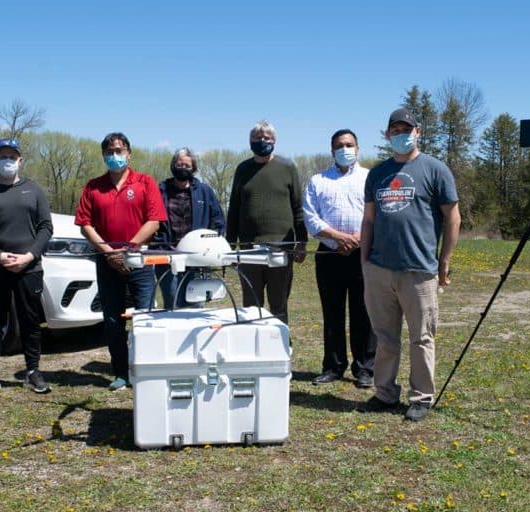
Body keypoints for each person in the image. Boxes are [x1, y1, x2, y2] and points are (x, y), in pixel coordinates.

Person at [360, 108, 461, 421]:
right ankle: (385, 392)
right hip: (380, 269)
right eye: (396, 130)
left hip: (419, 270)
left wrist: (444, 261)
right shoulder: (377, 174)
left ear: (418, 132)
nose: (401, 135)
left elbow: (453, 217)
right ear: (388, 134)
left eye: (407, 129)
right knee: (385, 337)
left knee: (421, 337)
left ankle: (421, 397)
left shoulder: (435, 169)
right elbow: (368, 220)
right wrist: (365, 261)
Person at [74, 132, 167, 391]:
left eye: (119, 150)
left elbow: (154, 221)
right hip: (107, 262)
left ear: (129, 153)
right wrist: (109, 253)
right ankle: (121, 373)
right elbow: (85, 224)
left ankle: (145, 370)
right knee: (113, 320)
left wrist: (128, 249)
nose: (115, 156)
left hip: (139, 260)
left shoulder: (145, 182)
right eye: (110, 152)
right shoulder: (93, 187)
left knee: (145, 317)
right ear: (103, 155)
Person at [0, 138, 54, 397]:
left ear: (20, 160)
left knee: (30, 321)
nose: (8, 160)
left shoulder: (34, 191)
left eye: (12, 156)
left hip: (29, 268)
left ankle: (33, 371)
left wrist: (29, 256)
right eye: (3, 156)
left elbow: (45, 227)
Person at [303, 129, 376, 389]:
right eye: (339, 145)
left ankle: (365, 368)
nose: (345, 149)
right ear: (332, 150)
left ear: (358, 148)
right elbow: (311, 218)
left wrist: (357, 239)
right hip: (329, 254)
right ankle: (333, 366)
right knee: (332, 313)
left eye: (349, 144)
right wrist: (338, 237)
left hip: (362, 253)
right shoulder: (318, 181)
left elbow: (377, 214)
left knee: (363, 312)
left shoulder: (370, 178)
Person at [226, 120, 307, 325]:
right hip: (248, 248)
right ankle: (252, 341)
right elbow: (233, 209)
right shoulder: (243, 169)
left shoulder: (287, 167)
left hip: (281, 248)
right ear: (250, 141)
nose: (262, 141)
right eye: (257, 138)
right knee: (251, 305)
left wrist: (302, 241)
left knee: (279, 304)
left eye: (267, 138)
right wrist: (230, 246)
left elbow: (298, 207)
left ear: (274, 141)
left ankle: (280, 339)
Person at [154, 147, 226, 309]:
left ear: (193, 168)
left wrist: (212, 244)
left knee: (196, 303)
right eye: (179, 164)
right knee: (173, 302)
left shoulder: (204, 191)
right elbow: (151, 220)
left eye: (187, 165)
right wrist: (158, 242)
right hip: (168, 256)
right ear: (173, 166)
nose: (183, 168)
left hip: (197, 258)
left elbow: (218, 220)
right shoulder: (161, 190)